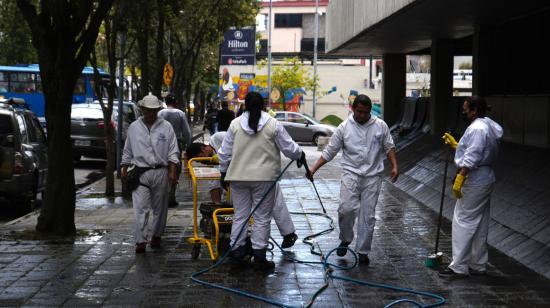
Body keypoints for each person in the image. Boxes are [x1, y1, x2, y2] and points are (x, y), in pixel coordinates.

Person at [218, 91, 306, 270]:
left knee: (240, 215)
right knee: (262, 218)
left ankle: (237, 253)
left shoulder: (235, 124)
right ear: (264, 105)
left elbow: (224, 152)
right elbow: (289, 148)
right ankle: (259, 256)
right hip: (264, 179)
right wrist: (300, 154)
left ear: (245, 105)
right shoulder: (273, 124)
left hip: (238, 177)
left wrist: (222, 172)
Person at [307, 94, 398, 265]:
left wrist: (394, 166)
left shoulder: (380, 126)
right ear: (353, 109)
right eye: (359, 112)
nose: (362, 115)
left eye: (365, 112)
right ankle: (346, 238)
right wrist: (313, 169)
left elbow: (389, 146)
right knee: (346, 210)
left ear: (370, 110)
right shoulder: (344, 127)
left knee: (368, 215)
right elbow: (330, 151)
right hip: (351, 174)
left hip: (373, 176)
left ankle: (363, 250)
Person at [186, 131, 299, 248]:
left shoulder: (219, 137)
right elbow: (213, 184)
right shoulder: (211, 160)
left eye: (200, 159)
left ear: (203, 149)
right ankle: (242, 245)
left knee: (273, 200)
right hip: (241, 179)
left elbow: (241, 146)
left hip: (259, 167)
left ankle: (288, 233)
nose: (202, 162)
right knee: (242, 213)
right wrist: (217, 207)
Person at [439, 96, 503, 278]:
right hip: (485, 175)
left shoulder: (476, 128)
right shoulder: (489, 125)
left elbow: (473, 155)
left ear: (474, 111)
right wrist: (458, 147)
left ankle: (458, 266)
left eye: (466, 109)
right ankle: (478, 263)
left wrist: (460, 175)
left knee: (463, 220)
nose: (463, 112)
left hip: (475, 178)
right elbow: (479, 150)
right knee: (480, 221)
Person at [121, 93, 179, 254]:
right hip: (140, 172)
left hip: (161, 171)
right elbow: (127, 150)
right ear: (142, 109)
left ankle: (156, 235)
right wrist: (124, 169)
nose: (151, 113)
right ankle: (140, 240)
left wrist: (172, 172)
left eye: (154, 110)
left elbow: (173, 151)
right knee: (140, 208)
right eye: (148, 110)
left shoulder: (166, 126)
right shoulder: (134, 127)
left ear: (158, 110)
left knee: (160, 208)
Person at [157, 93, 192, 208]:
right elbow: (186, 132)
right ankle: (171, 196)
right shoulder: (180, 113)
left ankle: (161, 196)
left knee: (162, 168)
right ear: (176, 103)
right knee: (175, 169)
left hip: (161, 144)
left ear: (166, 102)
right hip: (176, 143)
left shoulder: (160, 113)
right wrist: (189, 144)